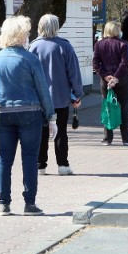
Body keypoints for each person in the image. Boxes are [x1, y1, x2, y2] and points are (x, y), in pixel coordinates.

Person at [0, 15, 56, 217]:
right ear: (21, 36)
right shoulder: (30, 59)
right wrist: (51, 117)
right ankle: (29, 204)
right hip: (30, 114)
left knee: (4, 158)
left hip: (3, 113)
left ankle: (4, 204)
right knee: (29, 157)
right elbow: (43, 91)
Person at [29, 14, 84, 176]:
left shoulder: (33, 47)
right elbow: (74, 73)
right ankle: (63, 165)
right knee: (60, 132)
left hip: (38, 99)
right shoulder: (65, 46)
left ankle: (40, 165)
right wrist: (77, 95)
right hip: (60, 98)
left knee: (41, 133)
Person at [93, 21, 128, 145]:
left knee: (108, 108)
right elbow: (124, 63)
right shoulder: (124, 44)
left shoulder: (99, 45)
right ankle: (126, 138)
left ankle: (107, 138)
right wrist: (115, 78)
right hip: (121, 80)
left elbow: (95, 64)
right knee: (124, 108)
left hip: (105, 81)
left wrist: (106, 76)